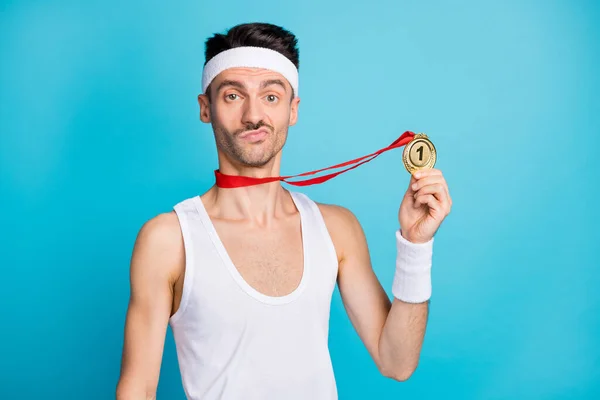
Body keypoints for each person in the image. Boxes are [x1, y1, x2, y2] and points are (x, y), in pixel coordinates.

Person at [115, 22, 452, 400]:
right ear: (205, 108)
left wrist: (415, 246)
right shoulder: (168, 240)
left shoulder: (336, 228)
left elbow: (397, 362)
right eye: (232, 95)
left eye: (271, 97)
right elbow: (138, 388)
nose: (253, 115)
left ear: (293, 110)